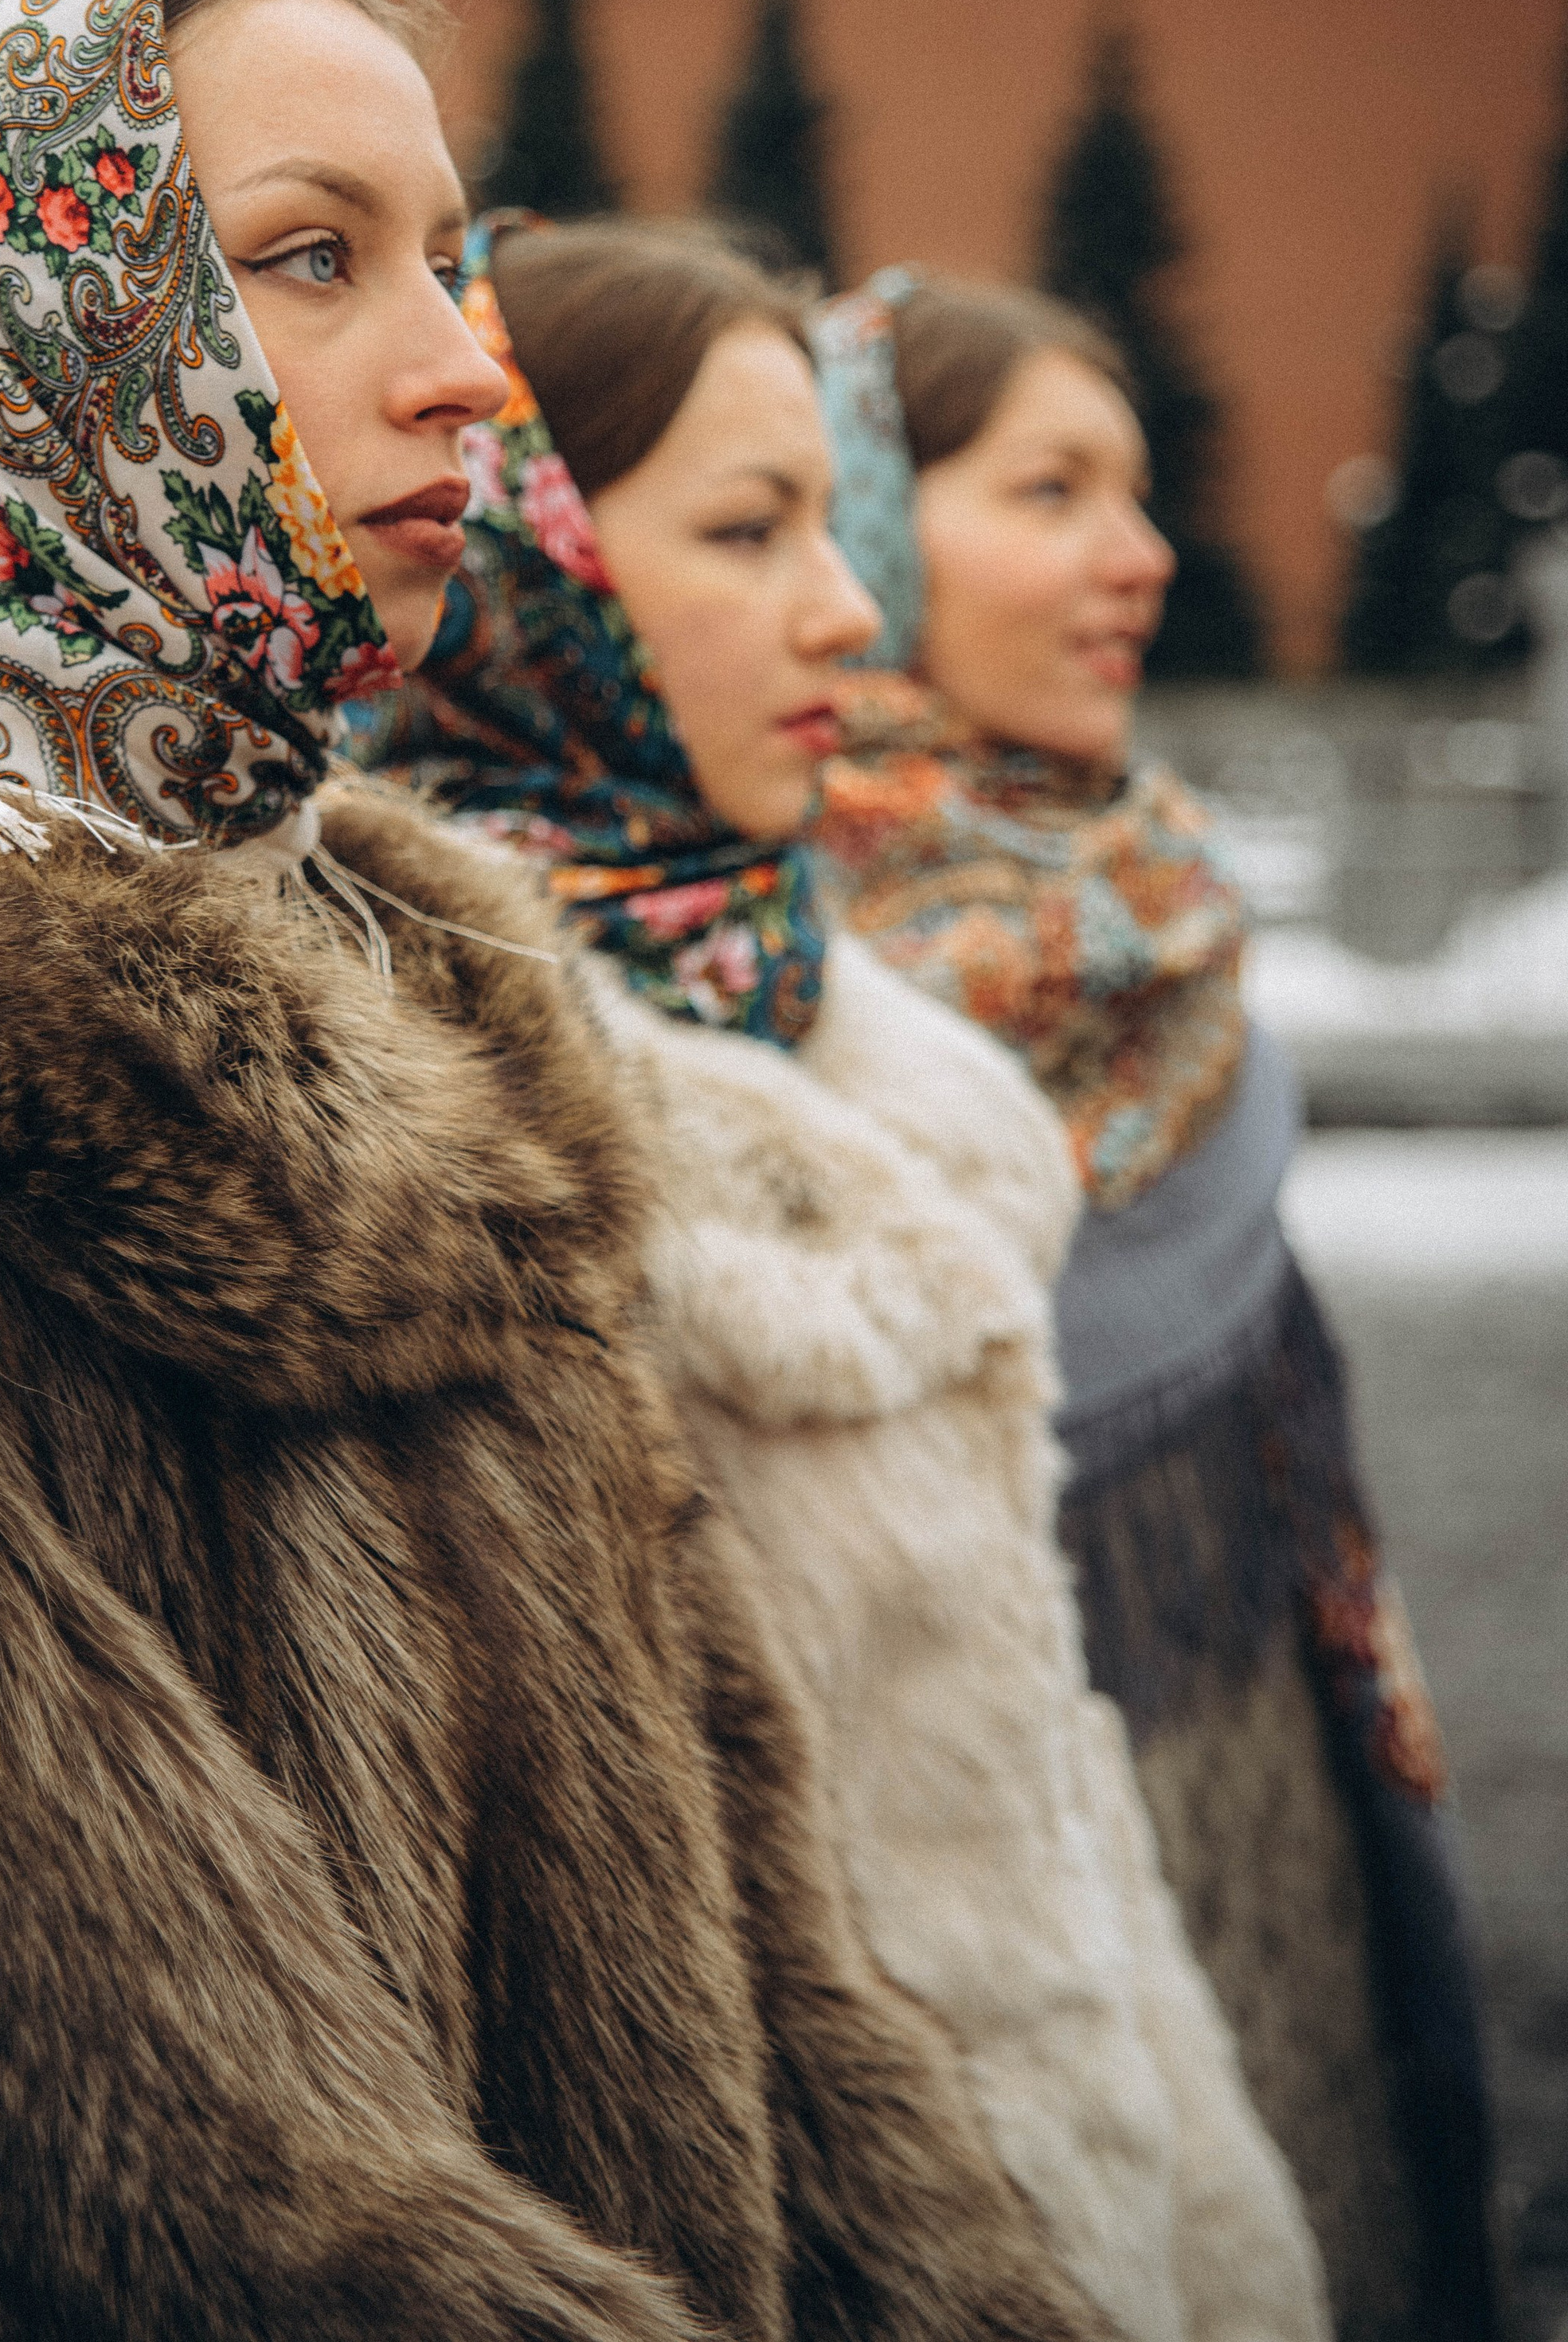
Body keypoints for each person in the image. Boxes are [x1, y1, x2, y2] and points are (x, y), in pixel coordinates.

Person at [0, 0, 1108, 2342]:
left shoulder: (442, 997)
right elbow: (214, 2196)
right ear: (38, 324)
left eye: (449, 254)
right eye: (309, 255)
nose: (467, 362)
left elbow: (776, 1986)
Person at [354, 210, 1329, 2342]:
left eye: (834, 517)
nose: (849, 609)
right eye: (747, 530)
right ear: (524, 576)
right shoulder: (438, 1141)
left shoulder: (865, 1055)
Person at [810, 268, 1500, 2342]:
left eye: (1134, 490)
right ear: (858, 532)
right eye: (1052, 490)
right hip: (963, 1928)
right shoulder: (761, 1014)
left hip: (1273, 1824)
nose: (1144, 553)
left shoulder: (1173, 937)